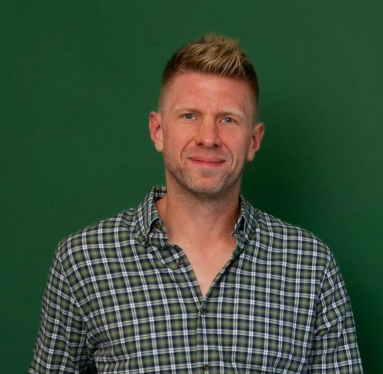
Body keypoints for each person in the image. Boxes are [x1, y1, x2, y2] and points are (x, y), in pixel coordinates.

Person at [30, 34, 363, 373]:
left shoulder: (311, 267)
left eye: (228, 119)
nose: (208, 137)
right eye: (189, 115)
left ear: (254, 140)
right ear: (158, 131)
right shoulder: (82, 261)